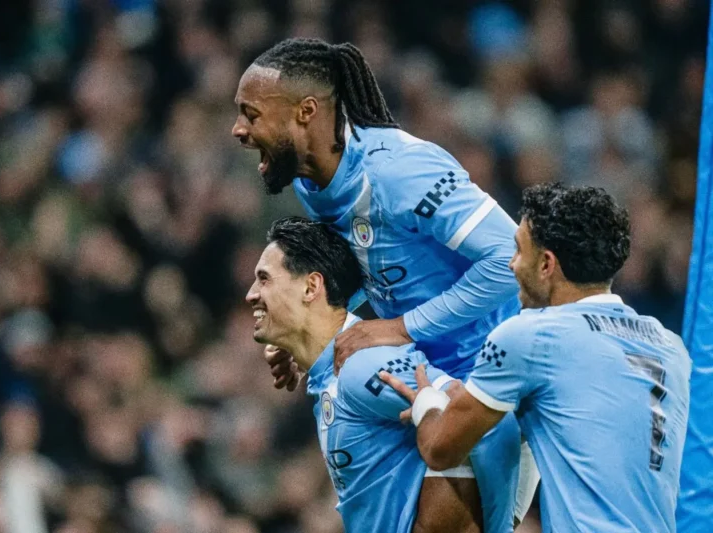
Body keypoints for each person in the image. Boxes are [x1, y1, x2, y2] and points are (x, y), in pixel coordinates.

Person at [232, 37, 528, 532]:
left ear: (306, 112)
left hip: (493, 382)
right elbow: (367, 270)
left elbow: (509, 260)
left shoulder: (400, 172)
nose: (238, 129)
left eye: (251, 114)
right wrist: (305, 332)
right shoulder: (312, 185)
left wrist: (403, 327)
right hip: (424, 379)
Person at [381, 184, 692, 533]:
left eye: (518, 249)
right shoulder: (671, 348)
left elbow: (441, 449)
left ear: (546, 264)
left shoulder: (530, 335)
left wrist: (428, 401)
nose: (511, 264)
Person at [246, 216, 482, 533]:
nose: (251, 294)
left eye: (264, 279)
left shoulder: (360, 366)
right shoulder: (329, 373)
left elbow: (471, 413)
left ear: (311, 287)